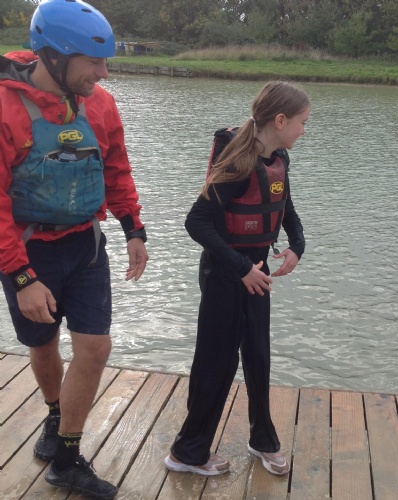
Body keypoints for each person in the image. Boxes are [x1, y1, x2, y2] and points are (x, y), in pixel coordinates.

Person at [0, 1, 148, 498]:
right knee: (42, 344)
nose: (103, 73)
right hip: (29, 252)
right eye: (94, 61)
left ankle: (66, 457)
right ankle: (54, 413)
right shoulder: (5, 109)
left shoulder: (100, 104)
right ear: (54, 56)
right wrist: (22, 277)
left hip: (85, 245)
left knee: (95, 347)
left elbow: (116, 168)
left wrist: (133, 229)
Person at [164, 81, 309, 476]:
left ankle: (263, 439)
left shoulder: (277, 158)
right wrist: (240, 268)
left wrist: (297, 245)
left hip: (257, 271)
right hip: (224, 272)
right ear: (280, 120)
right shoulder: (237, 162)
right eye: (302, 122)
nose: (304, 130)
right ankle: (186, 453)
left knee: (258, 356)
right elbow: (196, 222)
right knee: (218, 362)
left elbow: (286, 207)